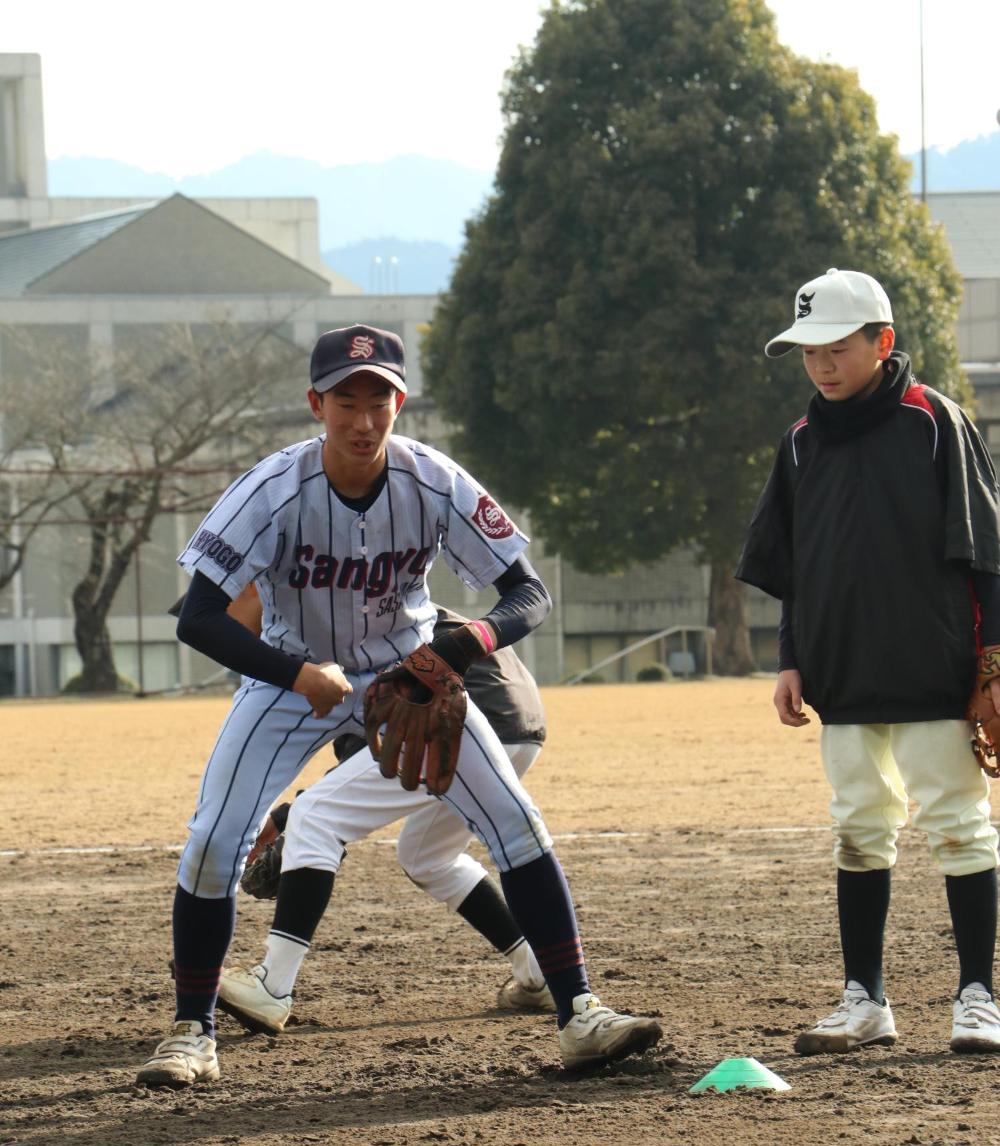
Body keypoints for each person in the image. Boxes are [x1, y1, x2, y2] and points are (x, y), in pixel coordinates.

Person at [138, 323, 661, 1087]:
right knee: (216, 839)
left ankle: (580, 1012)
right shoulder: (271, 490)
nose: (361, 419)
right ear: (315, 403)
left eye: (377, 399)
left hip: (409, 676)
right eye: (344, 400)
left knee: (515, 820)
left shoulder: (434, 480)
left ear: (400, 402)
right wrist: (293, 673)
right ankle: (192, 1030)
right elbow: (198, 617)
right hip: (292, 679)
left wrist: (455, 650)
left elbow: (527, 592)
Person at [737, 268, 1000, 1056]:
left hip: (933, 668)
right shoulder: (800, 441)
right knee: (858, 829)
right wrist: (790, 660)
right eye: (807, 349)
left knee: (958, 827)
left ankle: (978, 997)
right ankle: (865, 1000)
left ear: (882, 344)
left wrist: (992, 669)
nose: (821, 363)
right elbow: (795, 567)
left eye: (837, 346)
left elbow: (986, 557)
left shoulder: (934, 421)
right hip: (841, 673)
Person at [218, 604, 557, 1033]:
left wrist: (291, 819)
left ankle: (272, 985)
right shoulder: (356, 598)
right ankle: (537, 972)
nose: (232, 626)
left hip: (465, 717)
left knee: (316, 817)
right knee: (426, 857)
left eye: (233, 611)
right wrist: (288, 819)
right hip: (518, 723)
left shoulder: (319, 622)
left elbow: (372, 750)